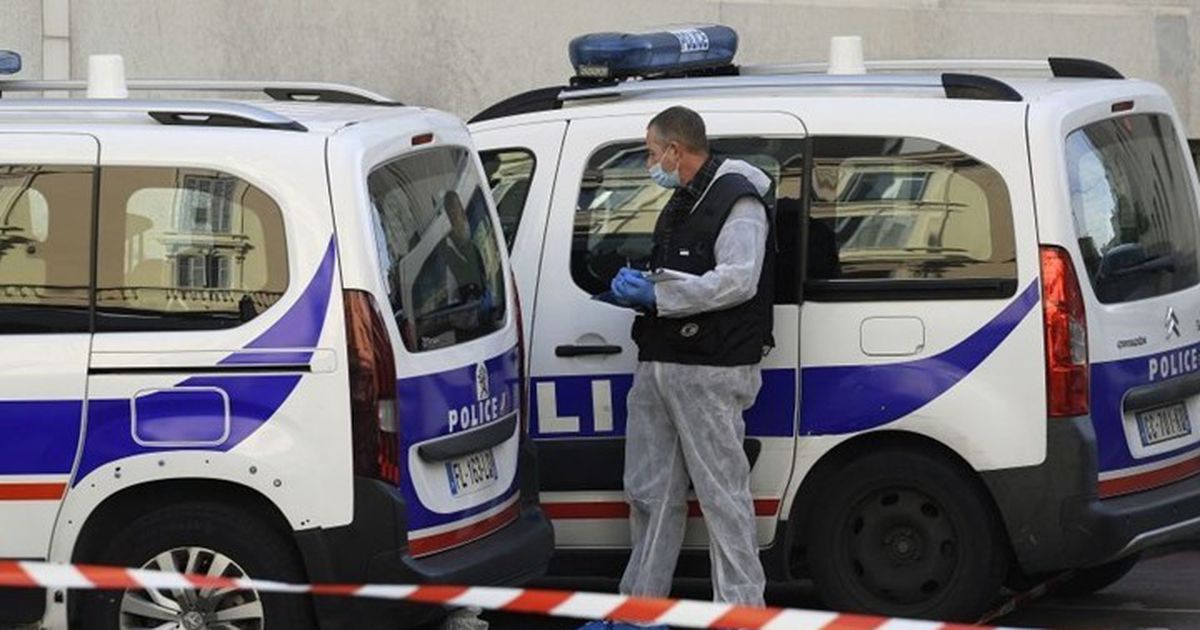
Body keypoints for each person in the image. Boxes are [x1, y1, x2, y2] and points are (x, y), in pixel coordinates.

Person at [583, 106, 775, 630]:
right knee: (648, 494)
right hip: (662, 363)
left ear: (675, 150)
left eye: (651, 152)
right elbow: (688, 270)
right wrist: (643, 289)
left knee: (723, 500)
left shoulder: (737, 202)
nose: (651, 163)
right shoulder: (683, 200)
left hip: (710, 370)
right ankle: (637, 613)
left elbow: (739, 280)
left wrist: (662, 294)